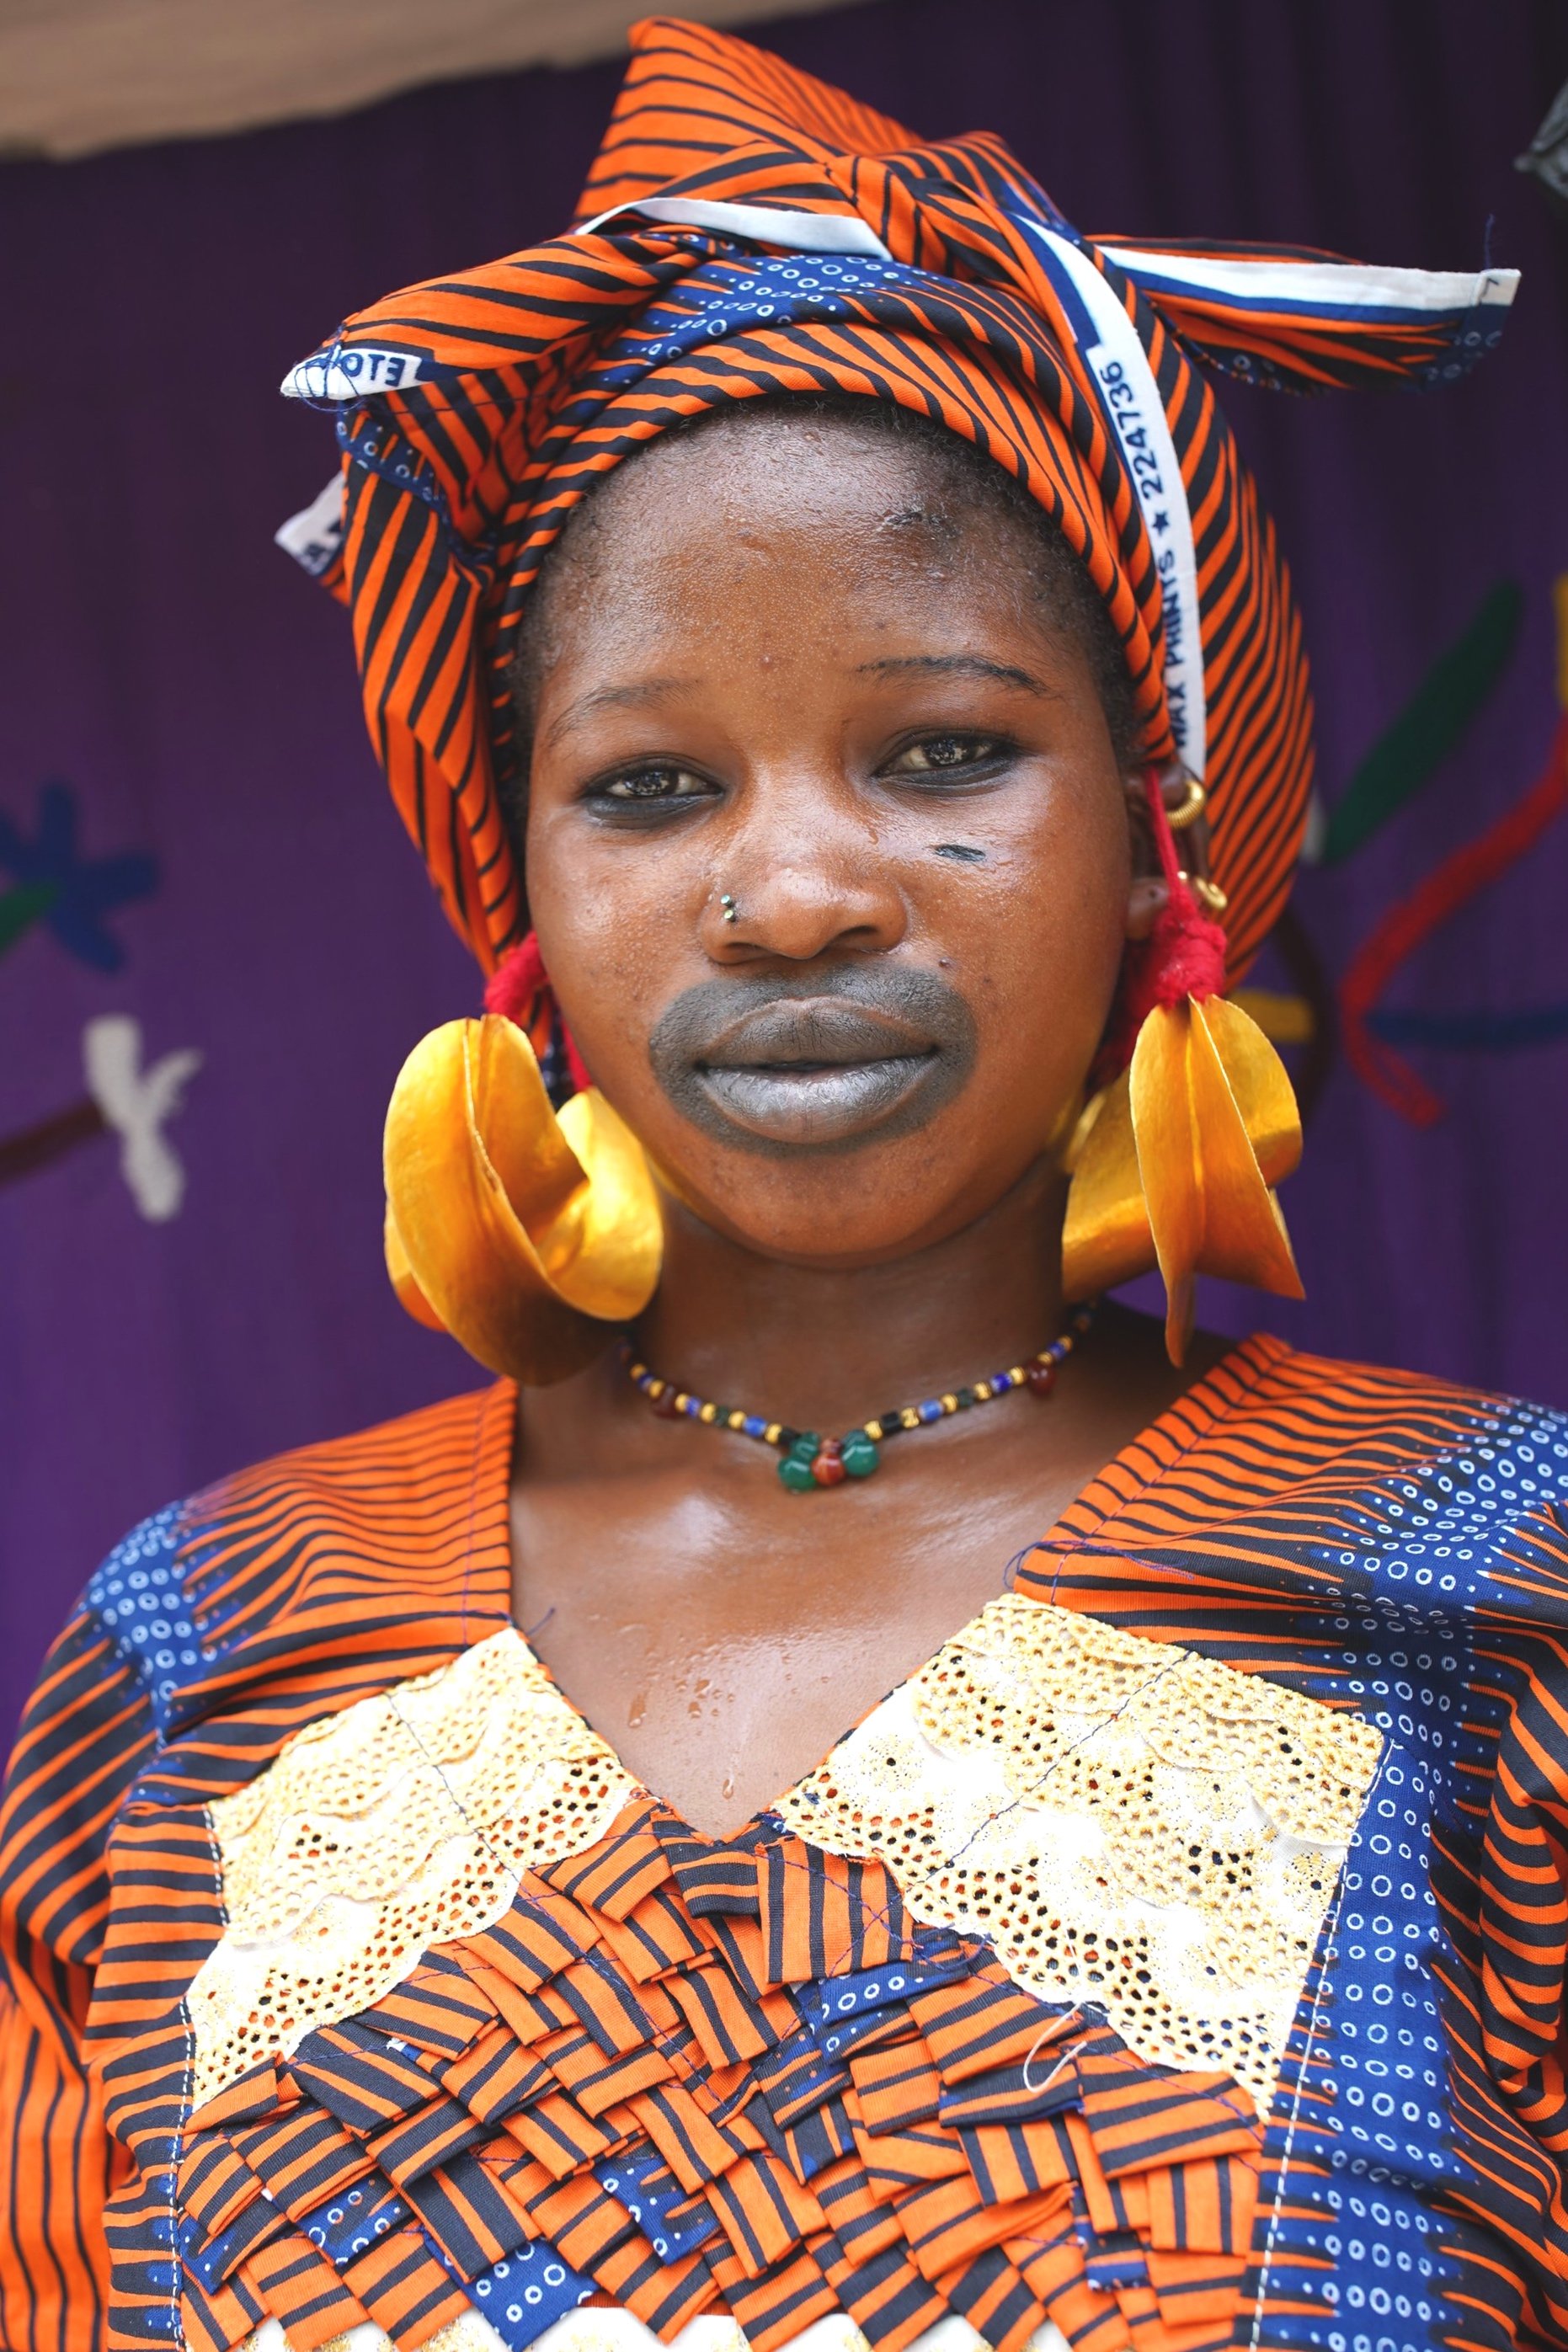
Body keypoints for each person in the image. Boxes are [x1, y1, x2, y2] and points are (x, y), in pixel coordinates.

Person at [0, 20, 1552, 2352]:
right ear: (512, 892)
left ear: (1160, 845)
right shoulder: (205, 1651)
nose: (800, 889)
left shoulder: (1495, 1604)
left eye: (945, 752)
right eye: (650, 787)